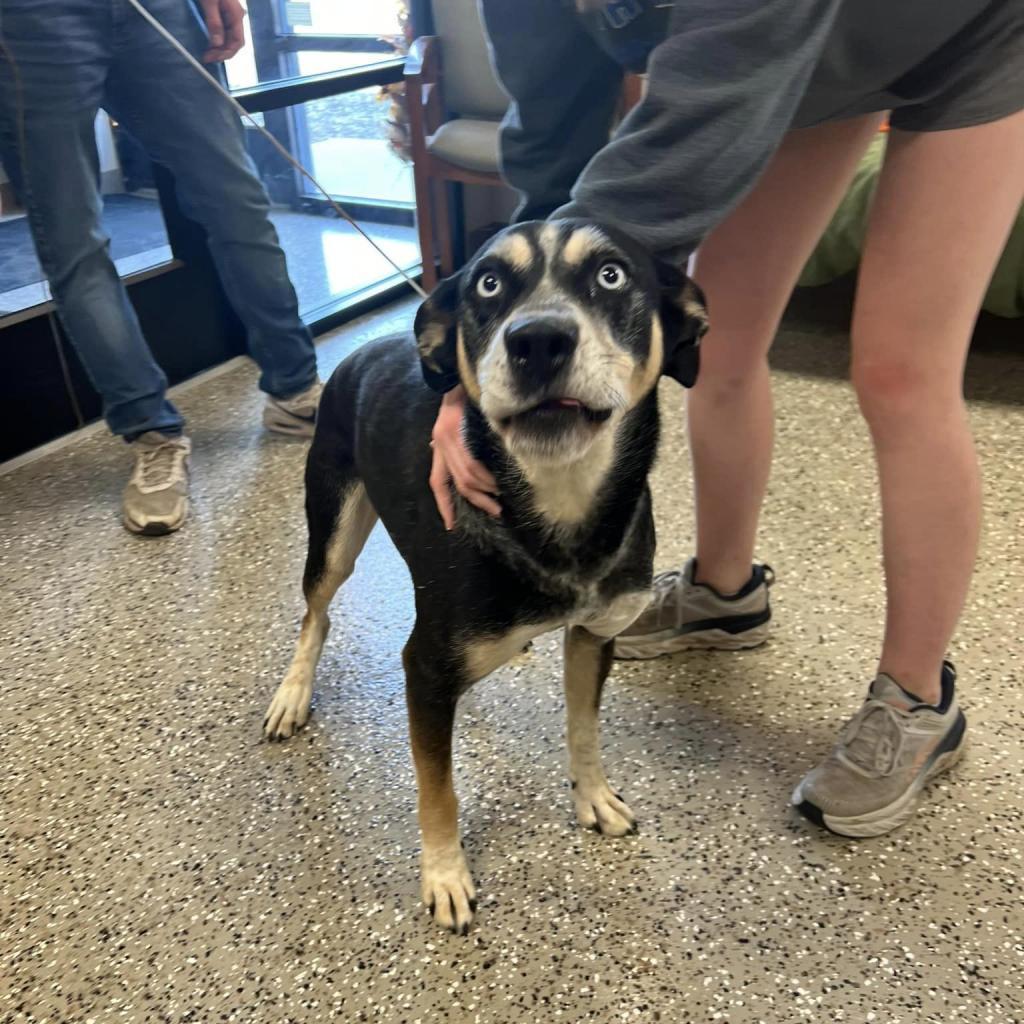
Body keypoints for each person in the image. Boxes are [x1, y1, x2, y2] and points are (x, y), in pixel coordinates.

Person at [429, 0, 1024, 836]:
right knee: (726, 340)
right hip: (818, 56)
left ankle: (920, 698)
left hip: (968, 31)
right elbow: (552, 125)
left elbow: (693, 126)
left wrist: (506, 349)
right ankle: (724, 594)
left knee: (900, 370)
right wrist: (498, 331)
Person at [0, 0, 322, 536]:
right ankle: (151, 432)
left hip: (158, 6)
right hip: (28, 19)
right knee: (72, 243)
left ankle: (298, 392)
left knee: (236, 200)